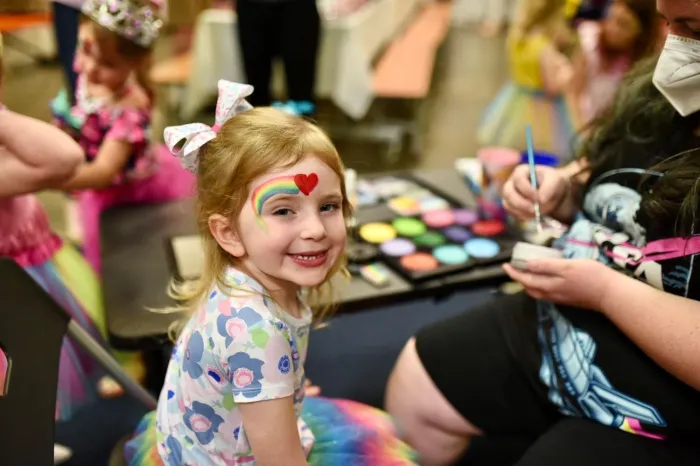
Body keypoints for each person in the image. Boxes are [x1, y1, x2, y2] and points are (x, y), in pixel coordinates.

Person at [385, 0, 700, 464]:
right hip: (575, 315)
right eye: (666, 23)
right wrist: (563, 190)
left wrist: (605, 292)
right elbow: (613, 171)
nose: (673, 44)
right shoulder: (669, 95)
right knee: (418, 382)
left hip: (669, 399)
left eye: (692, 27)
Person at [124, 80, 417, 465]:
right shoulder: (256, 335)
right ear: (229, 234)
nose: (315, 229)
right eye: (283, 210)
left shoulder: (249, 277)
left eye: (328, 206)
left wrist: (280, 389)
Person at [0, 33, 111, 465]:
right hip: (9, 290)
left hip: (30, 270)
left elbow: (64, 157)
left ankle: (28, 436)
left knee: (36, 371)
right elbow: (63, 160)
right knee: (15, 381)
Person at [52, 0, 195, 274]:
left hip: (127, 194)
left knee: (124, 263)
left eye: (107, 63)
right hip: (96, 182)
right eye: (84, 49)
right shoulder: (95, 77)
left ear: (135, 63)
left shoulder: (129, 111)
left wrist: (49, 177)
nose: (89, 68)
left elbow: (103, 173)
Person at [477, 0, 579, 161]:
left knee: (514, 149)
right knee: (539, 151)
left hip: (516, 99)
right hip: (542, 109)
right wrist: (567, 74)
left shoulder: (518, 38)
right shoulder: (544, 48)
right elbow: (552, 87)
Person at [570, 0, 660, 124]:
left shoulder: (639, 67)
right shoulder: (588, 41)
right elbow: (572, 93)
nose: (612, 28)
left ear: (640, 33)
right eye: (611, 17)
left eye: (624, 25)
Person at [235, 0, 320, 115]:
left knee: (301, 83)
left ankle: (304, 118)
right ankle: (258, 119)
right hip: (252, 7)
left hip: (299, 7)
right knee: (257, 85)